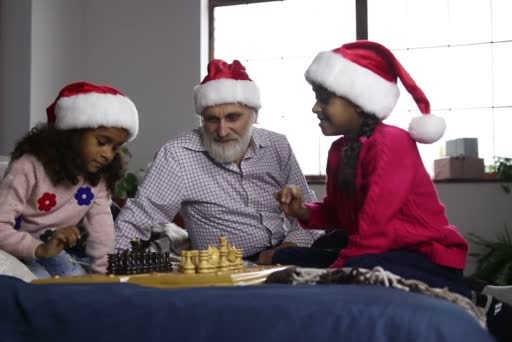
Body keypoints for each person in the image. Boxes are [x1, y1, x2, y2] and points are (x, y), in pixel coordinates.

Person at [275, 40, 471, 295]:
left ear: (358, 102)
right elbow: (339, 215)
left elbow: (375, 229)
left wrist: (333, 273)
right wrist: (301, 211)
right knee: (289, 256)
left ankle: (466, 293)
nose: (315, 108)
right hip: (382, 250)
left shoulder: (392, 143)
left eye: (324, 100)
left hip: (423, 256)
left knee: (347, 268)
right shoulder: (339, 151)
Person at [115, 59, 323, 264]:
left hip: (285, 253)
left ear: (254, 115)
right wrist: (108, 270)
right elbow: (137, 218)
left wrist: (290, 248)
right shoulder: (178, 154)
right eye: (212, 119)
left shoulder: (277, 145)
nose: (222, 131)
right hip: (227, 266)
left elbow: (306, 213)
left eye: (233, 118)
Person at [0, 81, 139, 278]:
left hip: (52, 249)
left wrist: (103, 278)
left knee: (75, 275)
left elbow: (102, 234)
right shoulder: (28, 166)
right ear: (72, 135)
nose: (108, 154)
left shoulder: (98, 178)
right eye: (102, 142)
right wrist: (39, 249)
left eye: (115, 147)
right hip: (10, 245)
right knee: (39, 282)